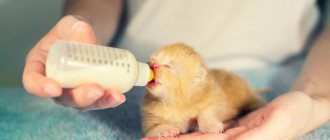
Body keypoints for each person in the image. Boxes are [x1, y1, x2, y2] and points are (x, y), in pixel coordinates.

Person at [22, 0, 330, 139]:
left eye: (168, 66)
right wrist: (81, 28)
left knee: (241, 96)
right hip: (121, 56)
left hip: (293, 70)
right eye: (158, 61)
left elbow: (213, 104)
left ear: (196, 79)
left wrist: (315, 97)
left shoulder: (205, 88)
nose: (156, 67)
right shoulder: (151, 95)